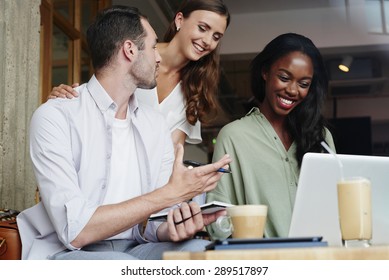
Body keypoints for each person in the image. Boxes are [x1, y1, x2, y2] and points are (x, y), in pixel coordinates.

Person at [17, 5, 231, 260]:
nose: (159, 57)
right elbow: (75, 231)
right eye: (153, 47)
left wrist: (175, 225)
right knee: (123, 266)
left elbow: (154, 224)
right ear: (129, 50)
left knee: (203, 253)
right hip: (67, 250)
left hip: (135, 246)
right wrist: (168, 194)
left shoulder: (156, 124)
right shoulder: (57, 116)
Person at [48, 0, 231, 205]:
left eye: (216, 37)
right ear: (179, 20)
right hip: (101, 180)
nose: (207, 41)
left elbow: (170, 155)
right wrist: (68, 97)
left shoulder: (196, 88)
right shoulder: (137, 59)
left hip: (147, 189)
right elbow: (100, 91)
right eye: (202, 28)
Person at [206, 33, 336, 240]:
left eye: (303, 84)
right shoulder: (233, 137)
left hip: (318, 259)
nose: (293, 90)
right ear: (265, 72)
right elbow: (217, 221)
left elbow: (333, 206)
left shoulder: (321, 137)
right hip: (262, 262)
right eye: (284, 78)